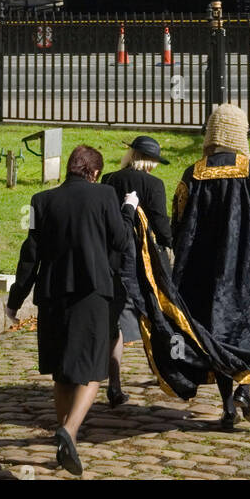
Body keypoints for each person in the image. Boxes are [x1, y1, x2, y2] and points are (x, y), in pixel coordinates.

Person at [6, 144, 137, 476]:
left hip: (52, 296)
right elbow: (121, 241)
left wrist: (15, 299)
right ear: (93, 172)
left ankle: (65, 438)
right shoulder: (106, 195)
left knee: (62, 373)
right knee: (92, 371)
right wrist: (128, 210)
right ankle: (70, 431)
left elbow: (30, 254)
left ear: (70, 169)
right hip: (91, 295)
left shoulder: (41, 201)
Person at [171, 104, 250, 430]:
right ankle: (245, 389)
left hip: (206, 274)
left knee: (218, 335)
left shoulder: (192, 174)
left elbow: (179, 225)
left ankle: (227, 408)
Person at [101, 135, 172, 409]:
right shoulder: (154, 184)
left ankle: (114, 384)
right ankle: (161, 372)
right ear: (151, 161)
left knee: (114, 321)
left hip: (113, 258)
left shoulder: (109, 179)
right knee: (155, 315)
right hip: (144, 259)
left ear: (131, 155)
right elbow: (161, 225)